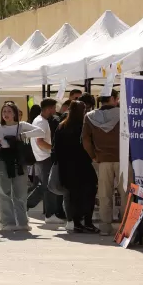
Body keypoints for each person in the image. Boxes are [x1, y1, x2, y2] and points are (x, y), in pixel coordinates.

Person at [0, 102, 44, 232]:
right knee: (4, 193)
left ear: (15, 113)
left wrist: (24, 135)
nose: (6, 114)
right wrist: (16, 140)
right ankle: (6, 223)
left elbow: (41, 131)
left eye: (9, 111)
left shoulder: (21, 126)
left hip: (19, 161)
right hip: (4, 161)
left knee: (20, 192)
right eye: (4, 111)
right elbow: (3, 144)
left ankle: (22, 222)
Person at [54, 100, 99, 234]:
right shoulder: (83, 126)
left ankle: (77, 223)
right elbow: (88, 144)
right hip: (82, 165)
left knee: (74, 196)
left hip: (67, 167)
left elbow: (56, 148)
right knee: (90, 191)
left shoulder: (61, 126)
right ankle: (88, 221)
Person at [82, 91, 122, 234]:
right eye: (117, 98)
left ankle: (105, 226)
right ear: (112, 98)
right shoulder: (124, 113)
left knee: (105, 194)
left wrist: (93, 156)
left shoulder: (89, 116)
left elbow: (85, 139)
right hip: (122, 159)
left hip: (102, 159)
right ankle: (126, 227)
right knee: (126, 193)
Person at [30, 98, 65, 227]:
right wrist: (54, 148)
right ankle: (50, 215)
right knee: (49, 187)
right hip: (45, 158)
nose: (55, 111)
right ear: (49, 108)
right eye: (54, 108)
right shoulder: (42, 123)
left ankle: (25, 205)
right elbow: (40, 141)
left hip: (41, 158)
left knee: (44, 186)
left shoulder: (38, 120)